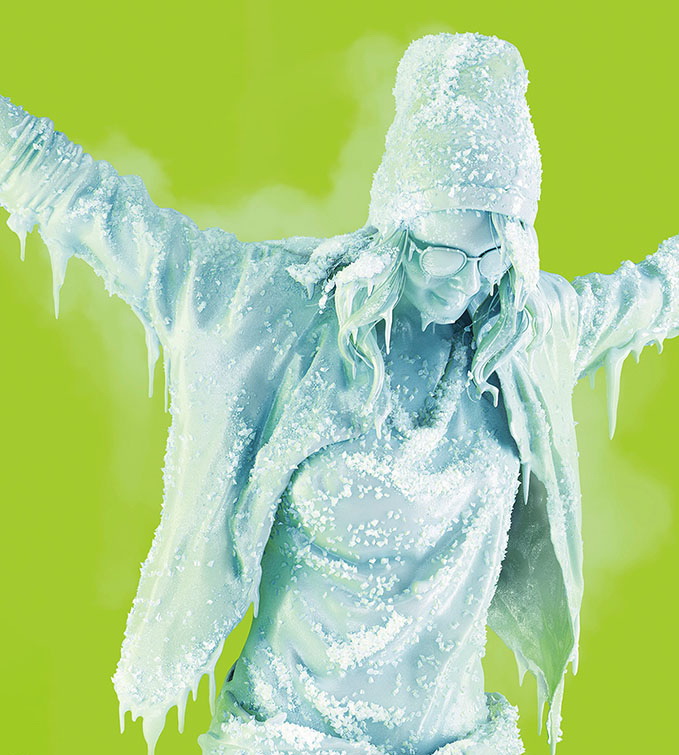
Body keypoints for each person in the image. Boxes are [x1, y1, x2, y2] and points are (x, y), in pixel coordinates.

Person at [1, 32, 677, 755]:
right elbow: (98, 207)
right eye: (442, 249)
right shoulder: (277, 312)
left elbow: (654, 292)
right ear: (397, 222)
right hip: (288, 738)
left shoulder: (522, 334)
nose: (465, 278)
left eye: (490, 255)